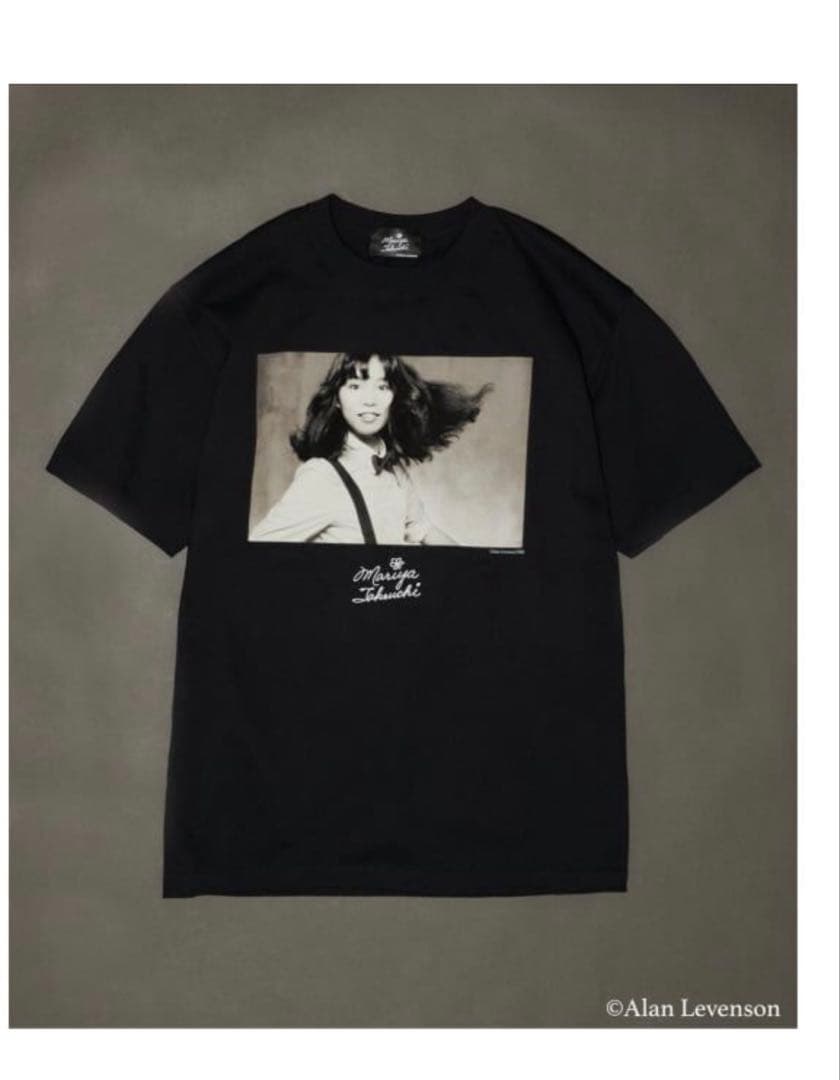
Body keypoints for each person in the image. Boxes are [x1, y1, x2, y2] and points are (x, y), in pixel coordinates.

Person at [249, 352, 493, 545]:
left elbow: (423, 530)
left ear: (395, 397)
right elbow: (260, 549)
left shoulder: (394, 472)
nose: (370, 400)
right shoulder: (322, 477)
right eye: (355, 386)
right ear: (336, 399)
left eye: (382, 387)